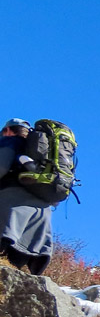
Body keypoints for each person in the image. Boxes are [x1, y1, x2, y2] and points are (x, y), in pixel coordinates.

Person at [0, 118, 52, 275]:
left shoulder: (10, 142)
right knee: (13, 269)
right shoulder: (41, 154)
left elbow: (1, 167)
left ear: (8, 131)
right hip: (41, 216)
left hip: (12, 207)